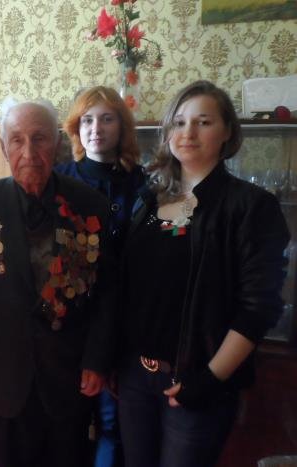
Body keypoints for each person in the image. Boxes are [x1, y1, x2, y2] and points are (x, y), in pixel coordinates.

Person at [117, 80, 290, 467]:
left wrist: (210, 379)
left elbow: (259, 307)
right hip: (135, 377)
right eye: (179, 122)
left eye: (204, 122)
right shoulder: (149, 199)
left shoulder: (251, 206)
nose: (188, 133)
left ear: (227, 131)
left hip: (197, 381)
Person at [0, 100, 117, 467]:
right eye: (17, 140)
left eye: (39, 138)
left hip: (69, 377)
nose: (28, 152)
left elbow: (107, 293)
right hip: (2, 380)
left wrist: (97, 360)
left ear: (57, 143)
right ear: (3, 148)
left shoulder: (90, 205)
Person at [56, 85, 145, 467]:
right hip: (68, 323)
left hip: (125, 321)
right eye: (88, 120)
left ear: (121, 126)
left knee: (113, 426)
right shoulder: (58, 179)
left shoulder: (144, 183)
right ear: (76, 127)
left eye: (107, 119)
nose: (96, 129)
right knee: (66, 424)